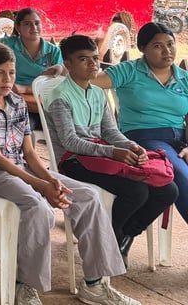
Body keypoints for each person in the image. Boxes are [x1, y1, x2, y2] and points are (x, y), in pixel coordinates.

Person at [0, 42, 138, 305]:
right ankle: (26, 284)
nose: (7, 79)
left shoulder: (18, 103)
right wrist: (40, 186)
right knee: (38, 206)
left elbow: (31, 155)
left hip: (20, 167)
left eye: (11, 72)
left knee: (88, 195)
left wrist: (51, 179)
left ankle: (94, 284)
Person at [45, 34, 178, 268]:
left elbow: (110, 132)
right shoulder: (60, 97)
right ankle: (110, 241)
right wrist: (111, 152)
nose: (93, 65)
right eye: (84, 60)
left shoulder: (97, 92)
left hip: (100, 156)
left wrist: (131, 146)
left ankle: (123, 237)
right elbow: (70, 142)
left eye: (95, 58)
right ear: (68, 64)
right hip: (74, 161)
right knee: (136, 191)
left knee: (168, 190)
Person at [94, 22, 188, 225]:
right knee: (180, 172)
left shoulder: (184, 79)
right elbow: (88, 80)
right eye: (157, 46)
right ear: (143, 48)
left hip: (179, 141)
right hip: (143, 138)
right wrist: (61, 68)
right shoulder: (129, 71)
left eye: (170, 44)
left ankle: (125, 234)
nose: (166, 51)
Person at [0, 8, 64, 128]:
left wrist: (25, 89)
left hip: (45, 104)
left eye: (37, 23)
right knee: (22, 128)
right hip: (15, 103)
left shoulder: (52, 51)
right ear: (18, 27)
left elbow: (56, 85)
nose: (34, 28)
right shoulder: (6, 46)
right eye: (27, 24)